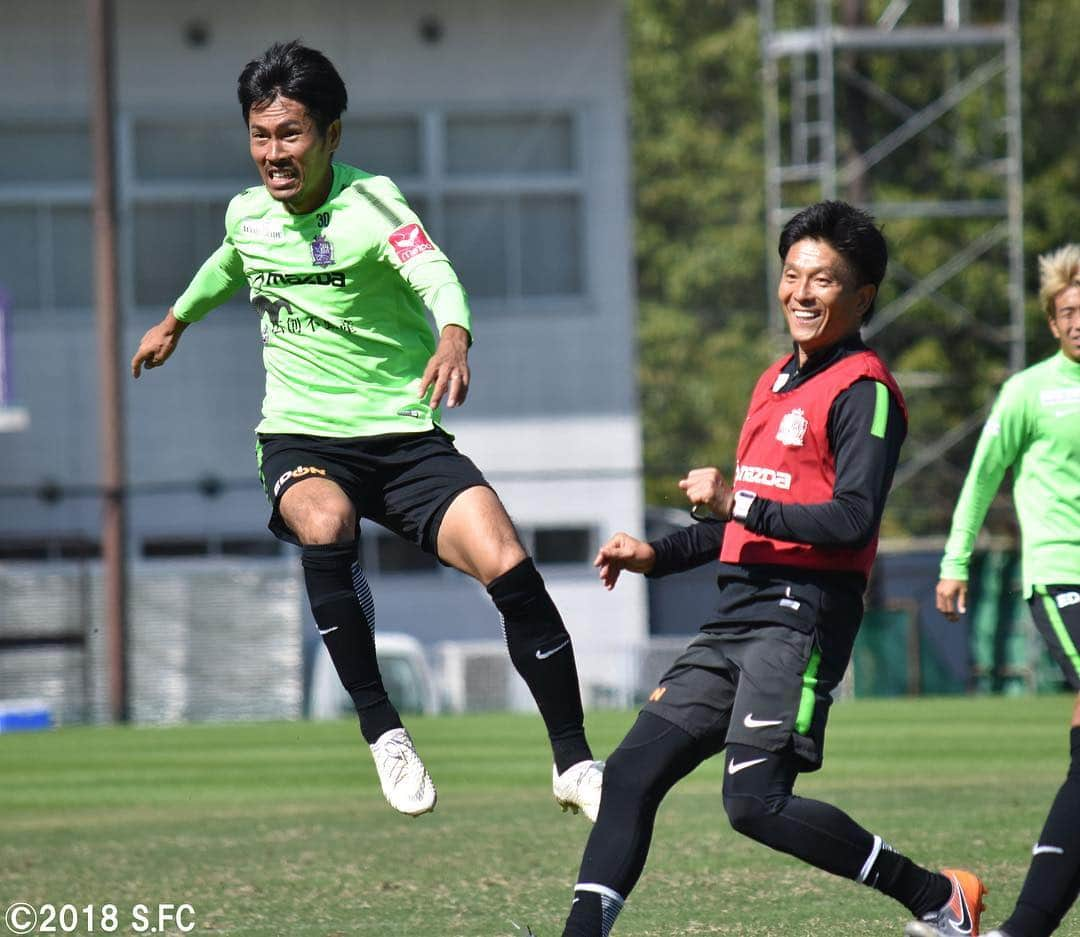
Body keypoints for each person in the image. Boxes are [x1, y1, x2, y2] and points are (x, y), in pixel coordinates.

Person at [129, 40, 603, 821]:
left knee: (509, 562)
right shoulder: (248, 214)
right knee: (327, 521)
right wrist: (175, 320)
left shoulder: (372, 203)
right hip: (302, 439)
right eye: (260, 134)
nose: (273, 153)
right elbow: (228, 261)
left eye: (291, 134)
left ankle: (575, 762)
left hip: (404, 438)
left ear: (331, 135)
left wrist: (454, 333)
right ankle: (383, 728)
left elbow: (434, 272)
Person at [555, 201, 984, 937]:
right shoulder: (773, 382)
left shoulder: (866, 391)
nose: (802, 293)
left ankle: (939, 897)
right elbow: (742, 520)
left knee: (755, 802)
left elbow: (851, 517)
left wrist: (737, 502)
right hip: (734, 616)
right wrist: (657, 554)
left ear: (863, 297)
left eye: (824, 279)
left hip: (802, 616)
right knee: (629, 774)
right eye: (792, 275)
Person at [932, 244, 1080, 937]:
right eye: (1068, 311)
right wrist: (954, 559)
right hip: (1061, 574)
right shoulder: (1029, 390)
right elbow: (983, 474)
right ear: (1052, 322)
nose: (1078, 321)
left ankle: (1023, 929)